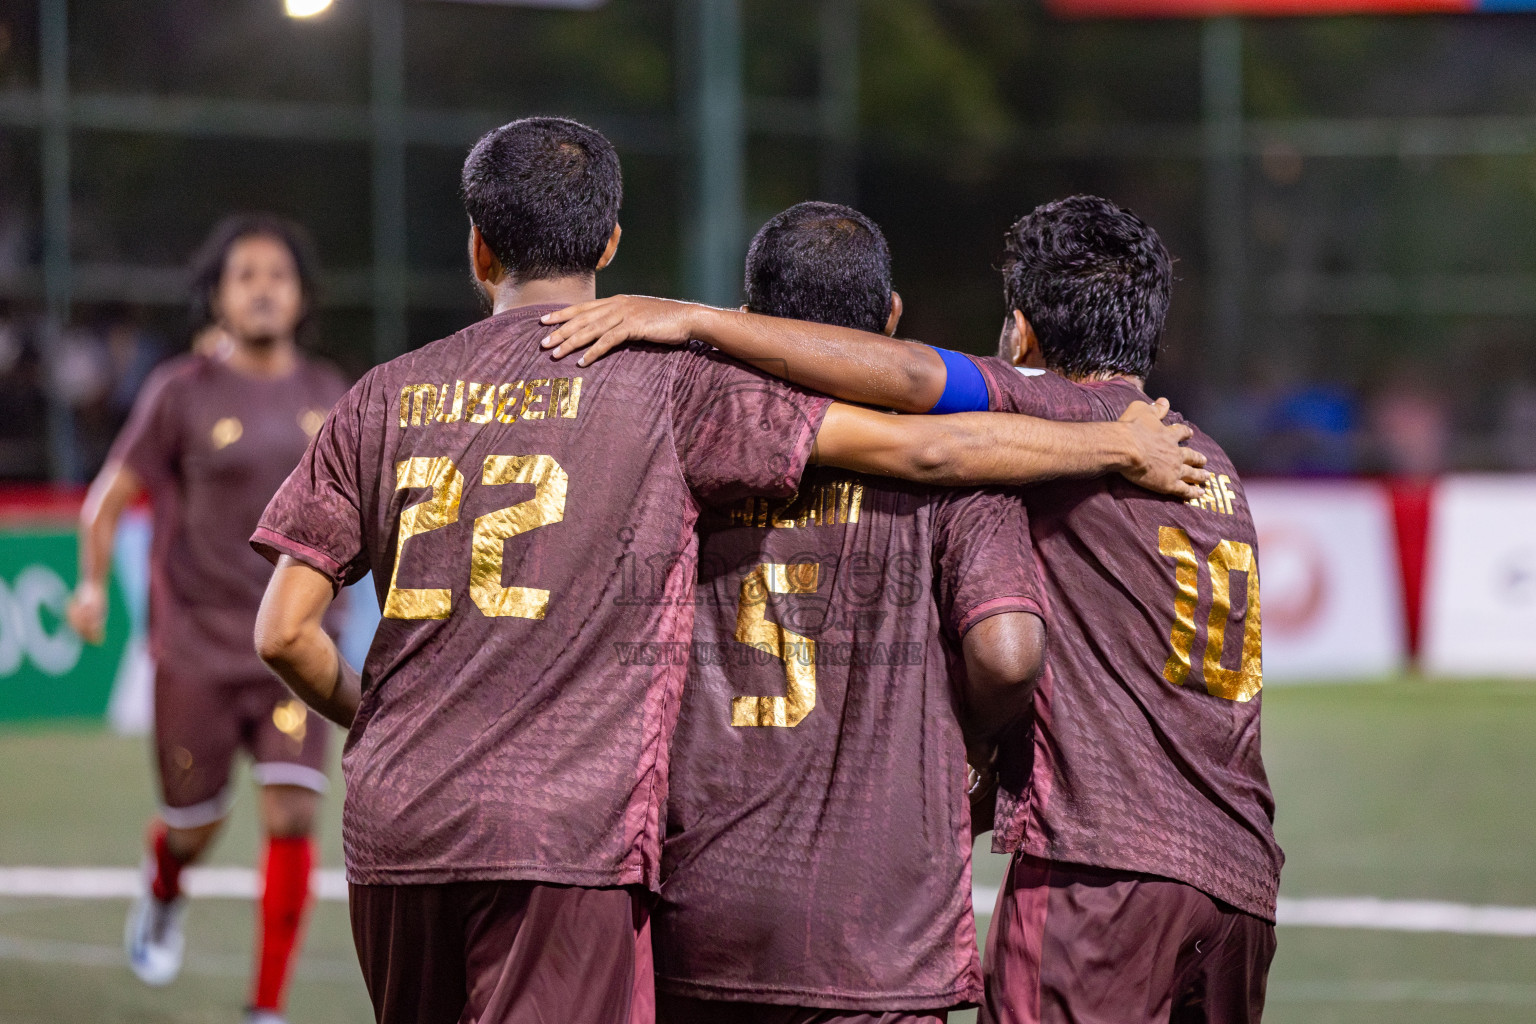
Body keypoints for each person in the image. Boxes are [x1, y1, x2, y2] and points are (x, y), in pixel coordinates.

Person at [248, 120, 1205, 1024]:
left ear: (478, 249)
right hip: (570, 834)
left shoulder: (380, 393)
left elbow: (285, 631)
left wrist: (386, 719)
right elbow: (929, 456)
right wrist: (1110, 449)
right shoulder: (671, 386)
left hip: (401, 822)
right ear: (612, 242)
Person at [543, 195, 1282, 1024]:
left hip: (1099, 855)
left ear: (1025, 335)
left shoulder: (1040, 407)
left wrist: (692, 320)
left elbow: (910, 385)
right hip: (1240, 869)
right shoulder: (1209, 464)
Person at [655, 202, 1046, 1024]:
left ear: (753, 321)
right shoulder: (963, 462)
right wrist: (971, 750)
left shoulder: (684, 444)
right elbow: (1009, 653)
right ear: (893, 316)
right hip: (883, 932)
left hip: (699, 907)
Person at [66, 214, 349, 1024]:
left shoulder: (331, 393)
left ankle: (266, 1008)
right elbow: (107, 503)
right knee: (196, 823)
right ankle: (163, 887)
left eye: (278, 275)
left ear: (301, 296)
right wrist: (90, 589)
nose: (263, 288)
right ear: (217, 295)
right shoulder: (179, 392)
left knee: (293, 811)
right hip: (195, 645)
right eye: (245, 275)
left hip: (295, 643)